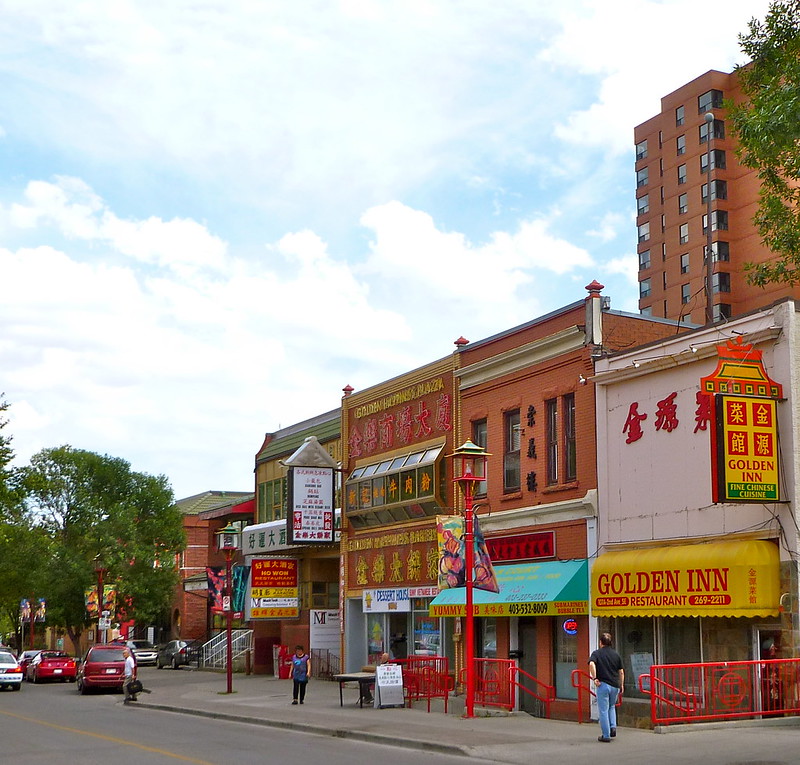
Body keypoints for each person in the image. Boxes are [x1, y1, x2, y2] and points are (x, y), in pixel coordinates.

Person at [588, 632, 624, 743]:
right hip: (615, 685)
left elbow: (591, 664)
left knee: (603, 710)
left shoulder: (597, 654)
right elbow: (621, 672)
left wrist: (594, 678)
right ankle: (613, 727)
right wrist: (621, 684)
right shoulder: (616, 654)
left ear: (600, 642)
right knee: (612, 707)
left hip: (603, 685)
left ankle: (606, 735)